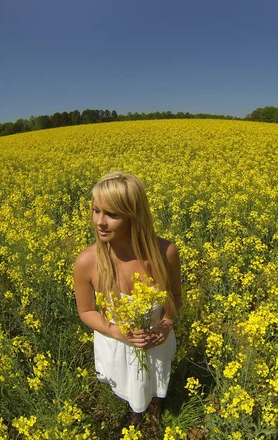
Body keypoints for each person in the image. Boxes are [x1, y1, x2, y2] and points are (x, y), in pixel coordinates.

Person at [73, 171, 182, 429]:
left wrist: (166, 325)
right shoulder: (87, 262)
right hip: (116, 341)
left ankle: (154, 406)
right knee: (128, 385)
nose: (100, 222)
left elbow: (176, 297)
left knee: (154, 382)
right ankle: (135, 411)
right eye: (96, 210)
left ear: (134, 216)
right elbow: (86, 311)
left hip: (157, 341)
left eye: (113, 214)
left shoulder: (165, 253)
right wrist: (119, 333)